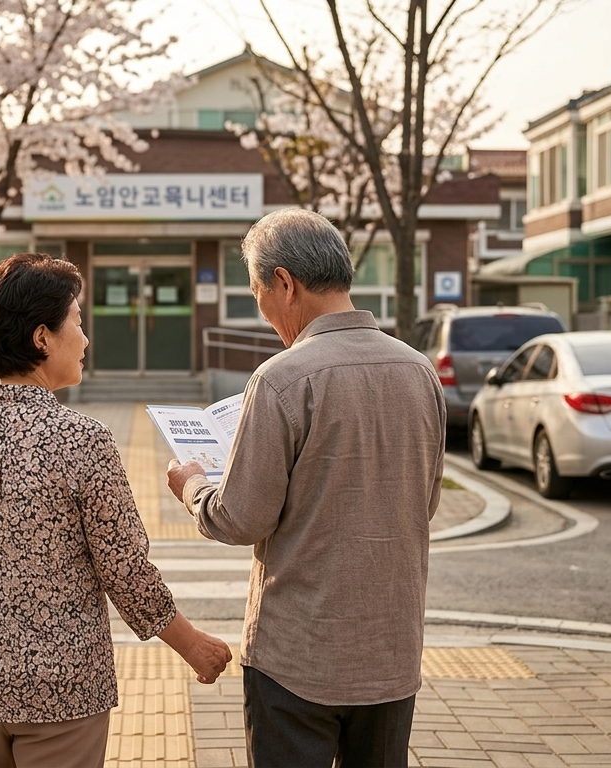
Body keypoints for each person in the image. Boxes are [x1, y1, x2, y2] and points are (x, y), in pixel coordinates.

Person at [0, 252, 232, 768]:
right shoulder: (83, 440)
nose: (86, 338)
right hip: (62, 692)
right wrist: (193, 646)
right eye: (77, 322)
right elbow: (124, 570)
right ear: (41, 338)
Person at [166, 210, 446, 767]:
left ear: (285, 283)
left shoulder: (281, 379)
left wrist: (194, 486)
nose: (264, 313)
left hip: (298, 658)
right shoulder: (420, 373)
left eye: (258, 294)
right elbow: (426, 502)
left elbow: (241, 518)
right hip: (391, 656)